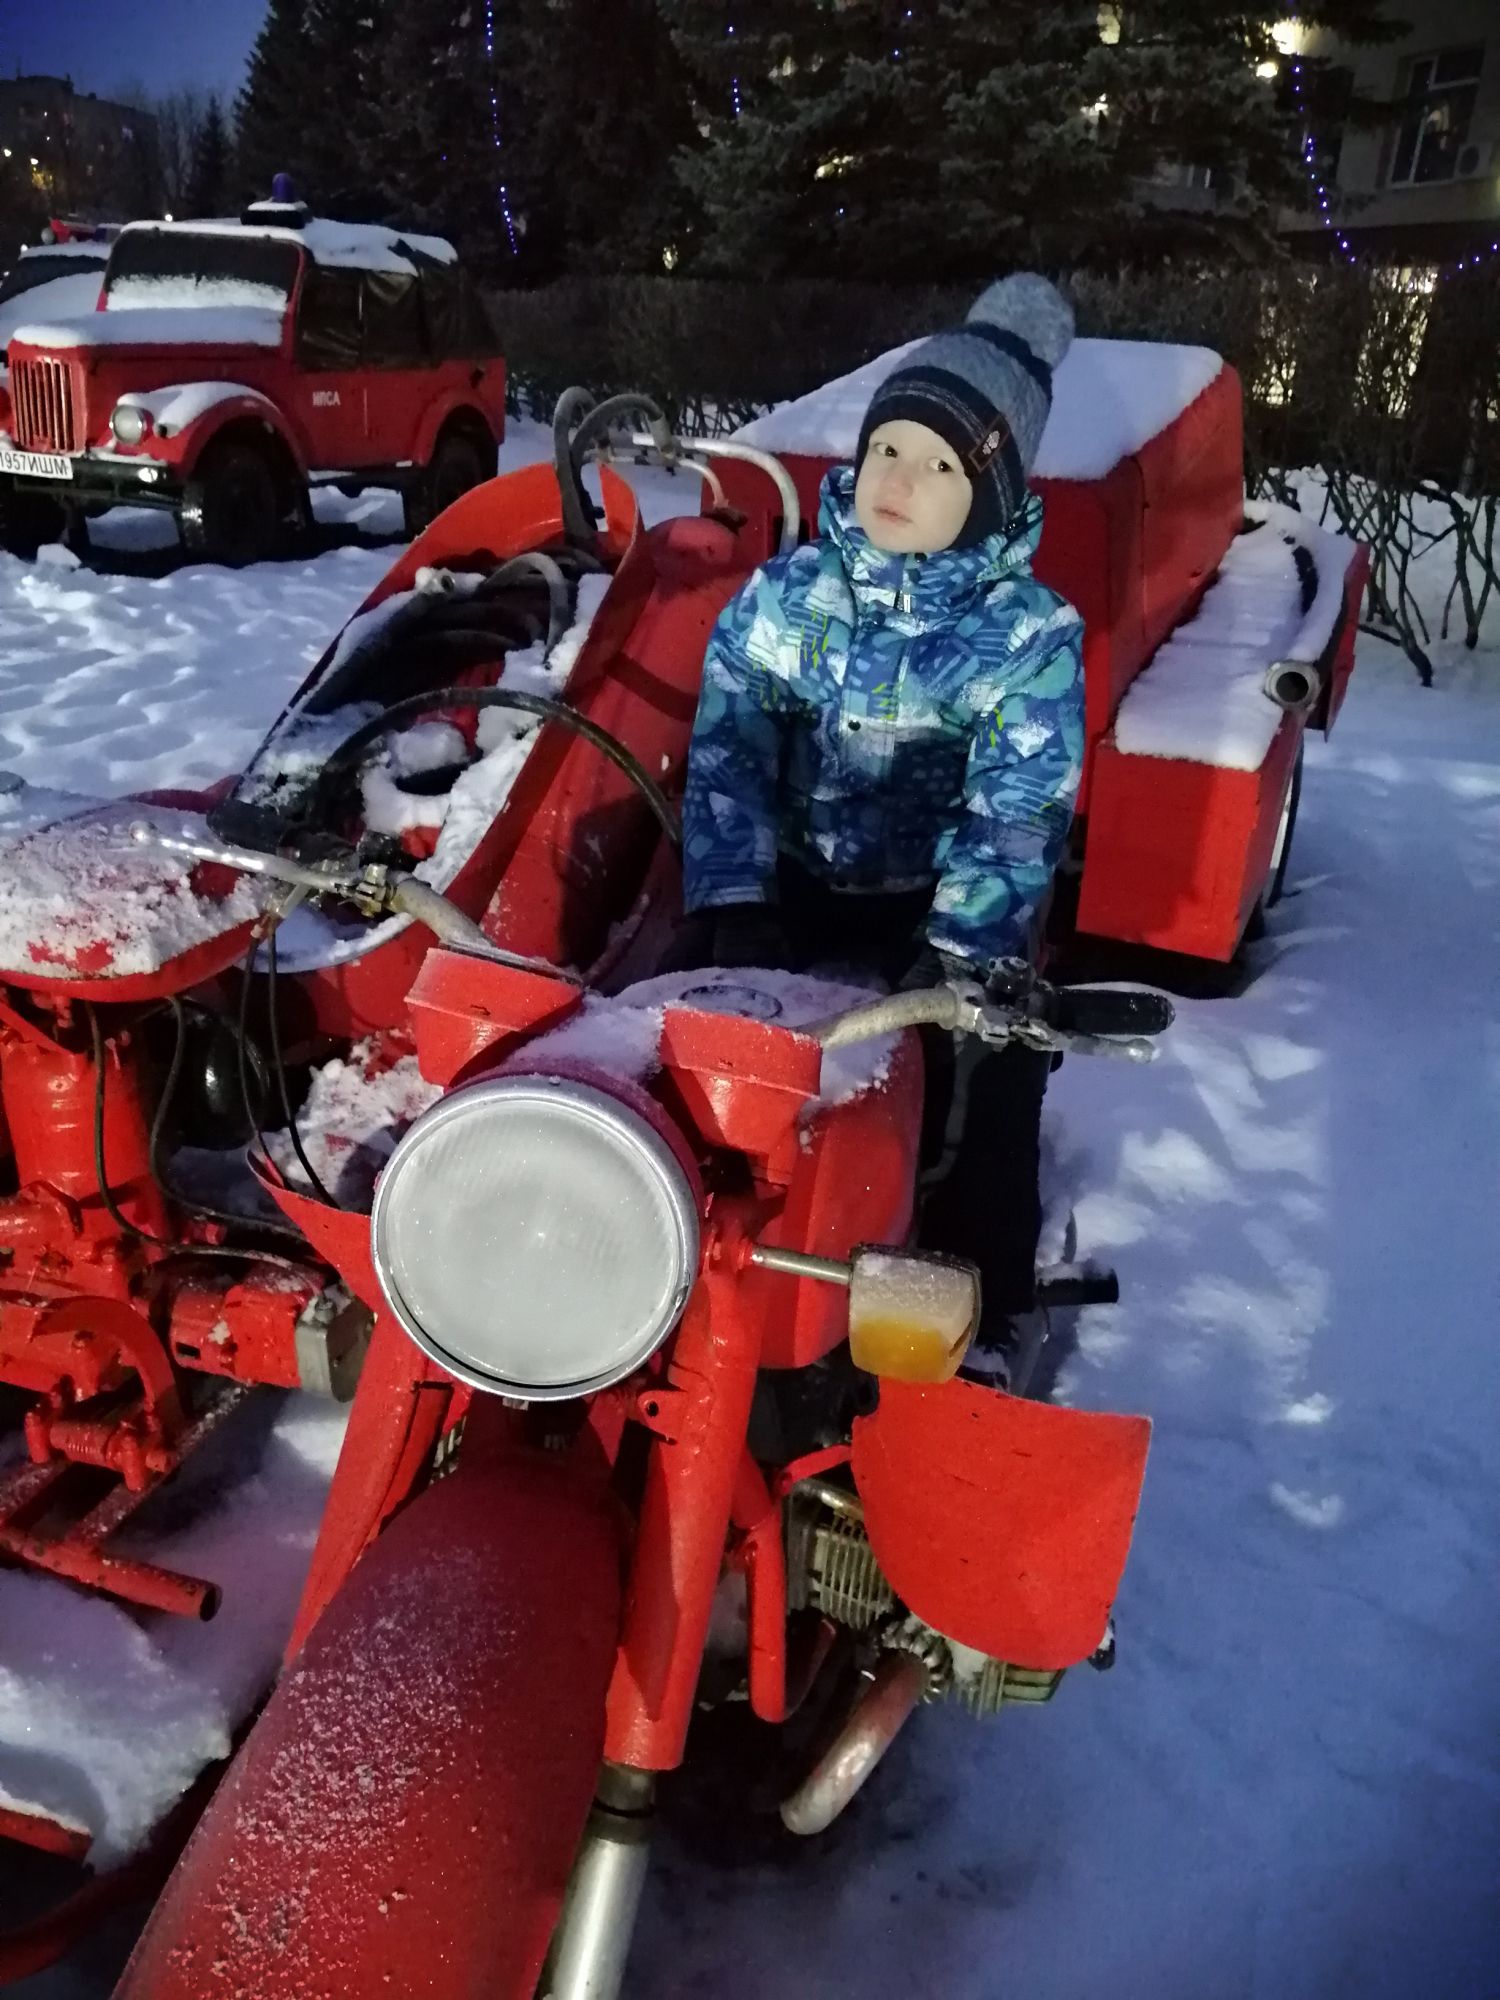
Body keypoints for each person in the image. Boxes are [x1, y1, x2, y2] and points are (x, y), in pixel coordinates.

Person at [672, 274, 1086, 1373]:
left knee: (992, 1071)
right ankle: (653, 1237)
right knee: (671, 1012)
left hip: (939, 908)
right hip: (793, 881)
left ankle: (980, 1304)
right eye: (888, 448)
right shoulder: (789, 594)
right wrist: (735, 894)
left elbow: (1018, 805)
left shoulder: (1028, 636)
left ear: (991, 497)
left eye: (941, 466)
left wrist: (959, 949)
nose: (898, 480)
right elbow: (730, 744)